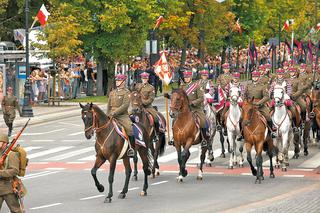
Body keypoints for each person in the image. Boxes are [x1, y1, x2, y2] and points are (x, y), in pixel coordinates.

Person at [107, 74, 134, 156]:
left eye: (119, 80)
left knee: (129, 129)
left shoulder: (127, 92)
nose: (117, 82)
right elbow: (109, 105)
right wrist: (107, 114)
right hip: (111, 114)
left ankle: (131, 148)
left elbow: (125, 105)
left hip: (122, 116)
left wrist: (115, 112)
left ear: (123, 82)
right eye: (116, 80)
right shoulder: (112, 92)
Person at [244, 71, 273, 135]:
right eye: (253, 76)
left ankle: (271, 131)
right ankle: (241, 133)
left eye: (256, 77)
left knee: (268, 116)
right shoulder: (248, 86)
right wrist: (246, 103)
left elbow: (266, 97)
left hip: (260, 105)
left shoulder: (263, 86)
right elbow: (244, 96)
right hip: (250, 105)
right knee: (241, 117)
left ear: (259, 77)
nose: (254, 78)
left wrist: (259, 103)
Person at [0, 133, 23, 213]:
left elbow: (14, 170)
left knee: (15, 210)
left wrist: (0, 173)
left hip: (8, 188)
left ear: (5, 143)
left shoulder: (11, 155)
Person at [134, 72, 160, 141]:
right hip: (138, 106)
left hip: (148, 107)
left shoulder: (151, 87)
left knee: (155, 117)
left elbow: (151, 99)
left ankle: (156, 134)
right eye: (143, 78)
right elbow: (134, 94)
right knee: (129, 115)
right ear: (141, 78)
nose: (144, 79)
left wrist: (142, 102)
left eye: (145, 78)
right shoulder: (137, 86)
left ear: (148, 78)